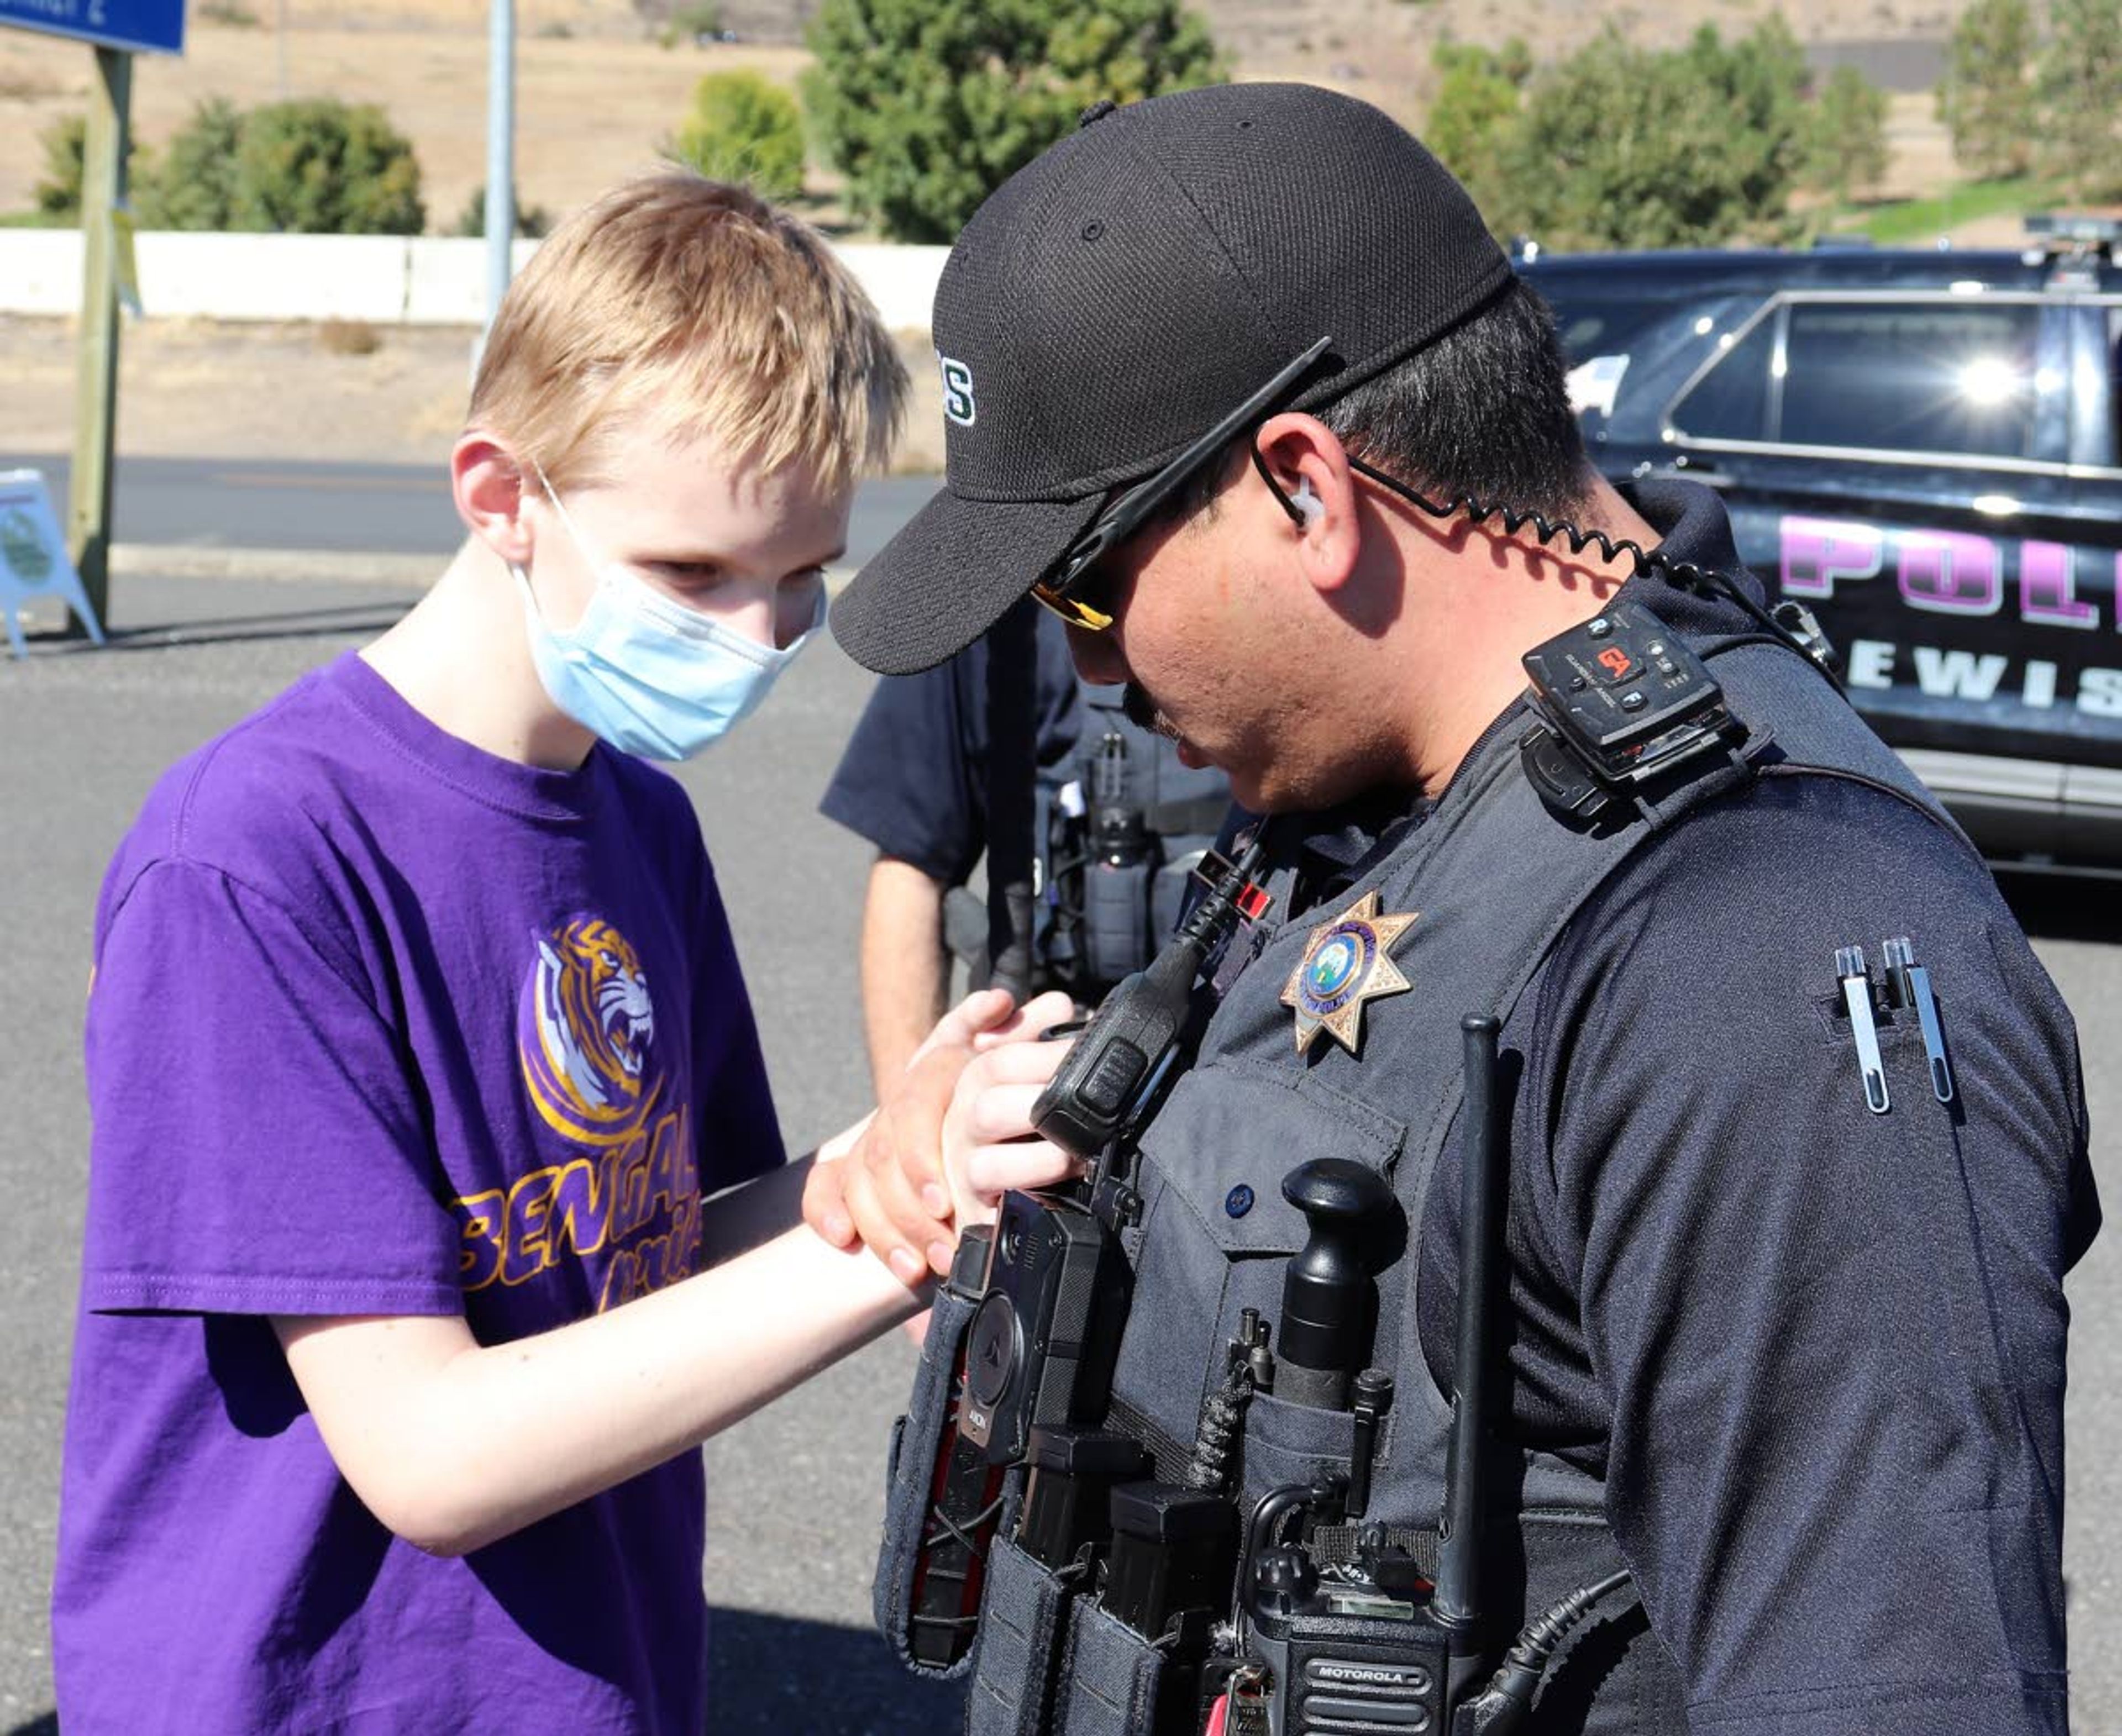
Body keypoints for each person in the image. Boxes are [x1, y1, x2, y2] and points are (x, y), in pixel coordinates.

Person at [826, 85, 2101, 1734]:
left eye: (1084, 587)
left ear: (1304, 487)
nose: (1087, 674)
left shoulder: (1755, 944)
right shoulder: (1372, 796)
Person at [52, 170, 1071, 1735]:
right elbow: (431, 1455)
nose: (755, 636)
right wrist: (902, 1237)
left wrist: (887, 1150)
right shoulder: (252, 856)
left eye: (802, 579)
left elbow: (669, 1238)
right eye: (693, 574)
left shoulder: (636, 821)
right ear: (499, 492)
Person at [820, 601, 1232, 1088]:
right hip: (1052, 1058)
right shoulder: (994, 593)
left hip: (1238, 1059)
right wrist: (907, 1125)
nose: (1099, 664)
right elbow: (912, 861)